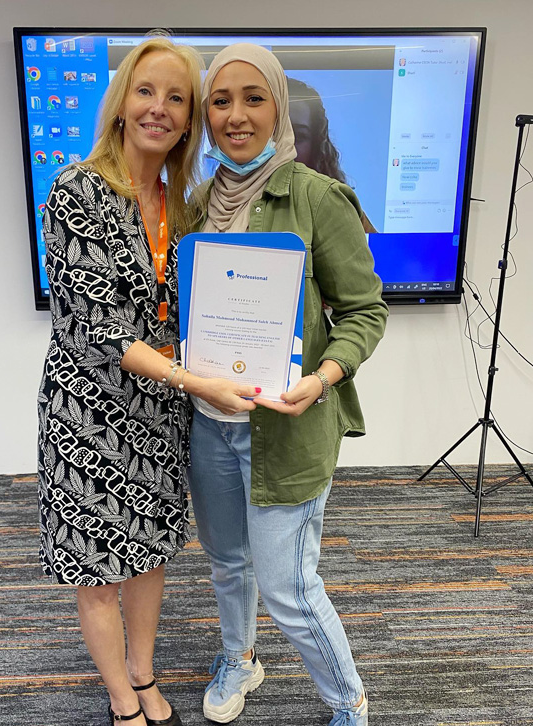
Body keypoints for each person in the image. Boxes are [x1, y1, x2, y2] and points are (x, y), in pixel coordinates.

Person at [37, 37, 260, 726]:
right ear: (121, 103)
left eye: (176, 97)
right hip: (89, 416)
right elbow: (95, 331)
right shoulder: (77, 190)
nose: (158, 108)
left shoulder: (183, 203)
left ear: (189, 119)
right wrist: (196, 381)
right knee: (100, 565)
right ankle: (119, 697)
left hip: (162, 414)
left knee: (150, 554)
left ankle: (144, 671)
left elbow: (194, 311)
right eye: (145, 91)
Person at [187, 44, 388, 726]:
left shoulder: (316, 196)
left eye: (253, 98)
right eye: (221, 100)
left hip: (289, 429)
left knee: (289, 586)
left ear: (278, 107)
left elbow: (364, 311)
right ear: (207, 116)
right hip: (210, 425)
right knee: (226, 563)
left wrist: (325, 376)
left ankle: (349, 703)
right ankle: (240, 659)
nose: (236, 115)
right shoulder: (196, 204)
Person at [287, 77, 377, 234]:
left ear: (315, 146)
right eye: (274, 134)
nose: (284, 146)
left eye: (298, 136)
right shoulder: (234, 201)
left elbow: (380, 255)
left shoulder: (339, 205)